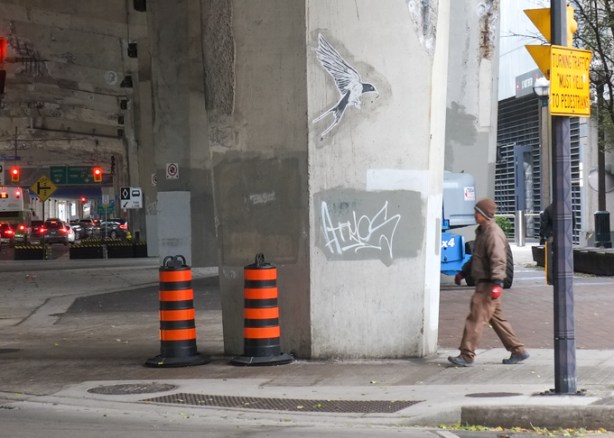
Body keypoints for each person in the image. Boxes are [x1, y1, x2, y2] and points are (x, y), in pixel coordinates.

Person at [448, 198, 529, 367]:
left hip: (488, 285)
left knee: (475, 318)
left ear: (484, 214)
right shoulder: (483, 231)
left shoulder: (492, 233)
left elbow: (498, 259)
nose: (474, 214)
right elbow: (478, 257)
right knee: (497, 319)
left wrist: (498, 283)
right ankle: (518, 350)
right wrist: (463, 272)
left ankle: (467, 355)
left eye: (477, 212)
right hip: (487, 282)